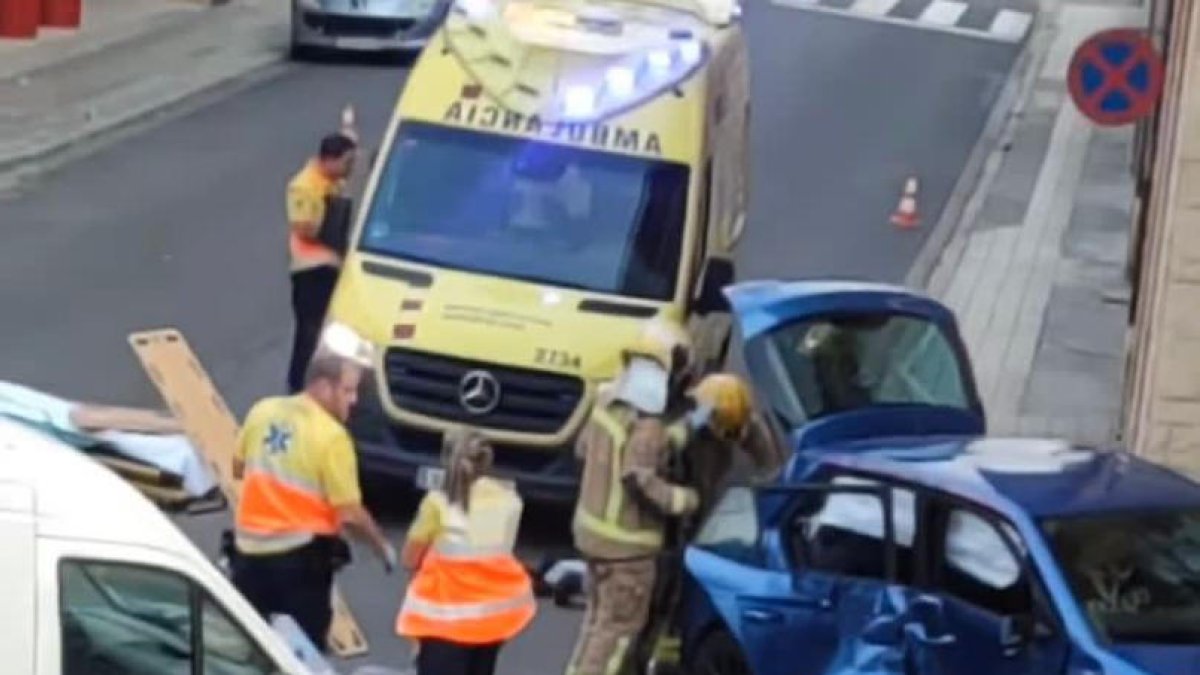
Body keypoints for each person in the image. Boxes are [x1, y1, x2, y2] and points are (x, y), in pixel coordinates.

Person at [230, 329, 395, 650]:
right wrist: (380, 546)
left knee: (249, 652)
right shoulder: (332, 437)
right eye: (347, 390)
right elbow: (349, 513)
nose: (354, 399)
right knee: (302, 655)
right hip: (299, 565)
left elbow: (238, 467)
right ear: (322, 386)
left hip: (248, 557)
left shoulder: (263, 410)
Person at [564, 319, 706, 675]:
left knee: (594, 630)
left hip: (592, 543)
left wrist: (683, 431)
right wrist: (685, 500)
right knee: (616, 640)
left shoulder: (607, 407)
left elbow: (586, 449)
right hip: (628, 553)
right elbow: (638, 475)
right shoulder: (648, 425)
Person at [395, 427, 536, 675]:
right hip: (489, 623)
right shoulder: (509, 501)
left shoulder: (437, 504)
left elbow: (409, 558)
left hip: (444, 625)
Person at [285, 130, 358, 394]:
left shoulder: (330, 183)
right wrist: (326, 212)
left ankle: (319, 382)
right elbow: (305, 228)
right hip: (310, 269)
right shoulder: (305, 187)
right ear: (330, 159)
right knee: (309, 331)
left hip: (331, 266)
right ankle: (298, 385)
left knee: (328, 330)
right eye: (347, 162)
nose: (350, 169)